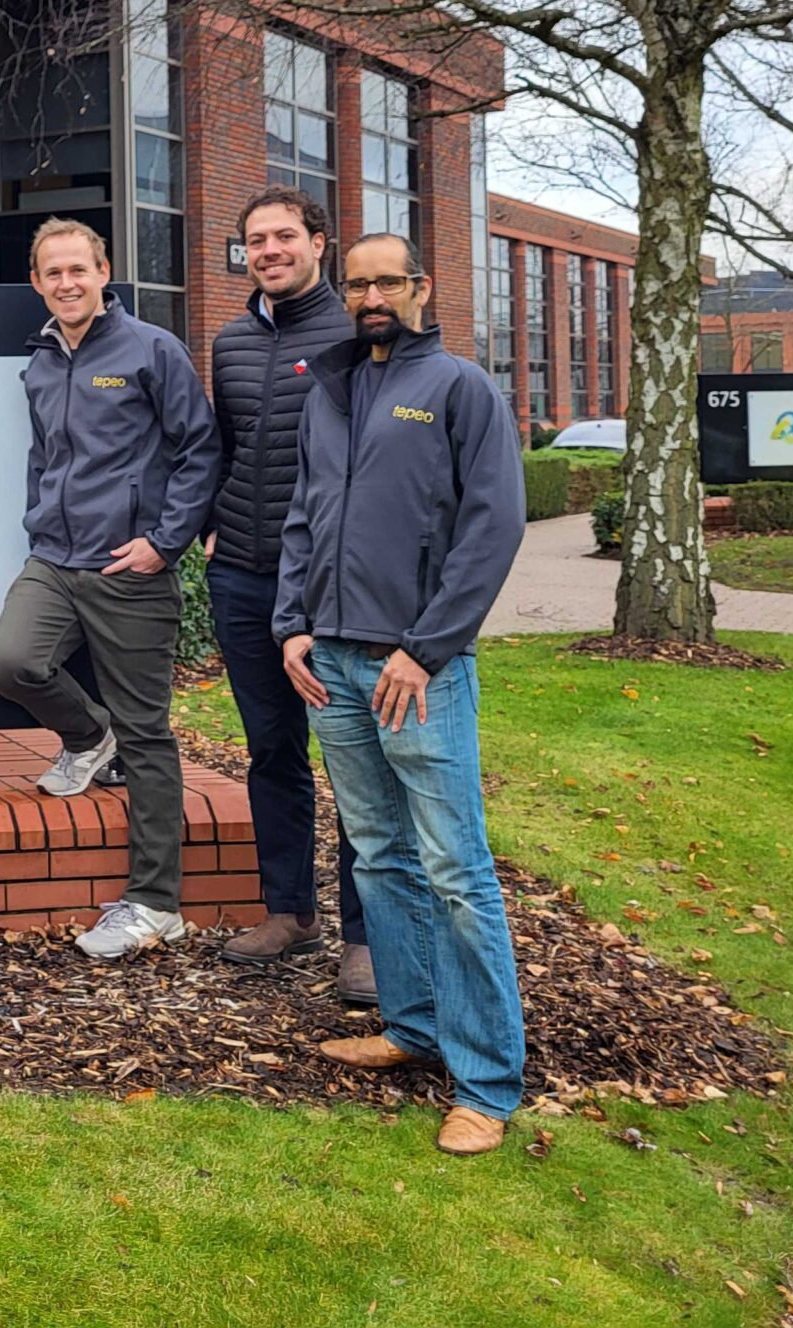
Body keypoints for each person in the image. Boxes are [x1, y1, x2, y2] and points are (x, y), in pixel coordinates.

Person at [275, 232, 529, 1155]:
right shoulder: (332, 388)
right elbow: (304, 514)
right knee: (380, 853)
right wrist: (291, 623)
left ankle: (488, 1083)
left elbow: (492, 528)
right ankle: (413, 1030)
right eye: (358, 284)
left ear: (422, 287)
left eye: (388, 281)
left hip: (412, 670)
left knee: (456, 870)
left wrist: (425, 649)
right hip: (332, 665)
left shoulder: (459, 388)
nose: (372, 295)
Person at [0, 217, 221, 959]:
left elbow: (199, 449)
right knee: (11, 663)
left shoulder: (150, 349)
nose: (66, 283)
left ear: (103, 271)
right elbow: (45, 457)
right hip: (55, 559)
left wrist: (165, 542)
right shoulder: (41, 361)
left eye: (78, 270)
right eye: (52, 274)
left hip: (129, 568)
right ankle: (89, 735)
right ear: (37, 282)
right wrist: (38, 525)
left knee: (148, 734)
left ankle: (155, 902)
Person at [206, 188, 371, 1000]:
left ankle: (365, 936)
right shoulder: (231, 340)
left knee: (353, 759)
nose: (268, 250)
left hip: (331, 585)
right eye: (255, 240)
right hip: (241, 573)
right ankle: (290, 912)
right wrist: (209, 522)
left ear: (317, 242)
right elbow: (224, 446)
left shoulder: (353, 337)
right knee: (272, 751)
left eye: (283, 237)